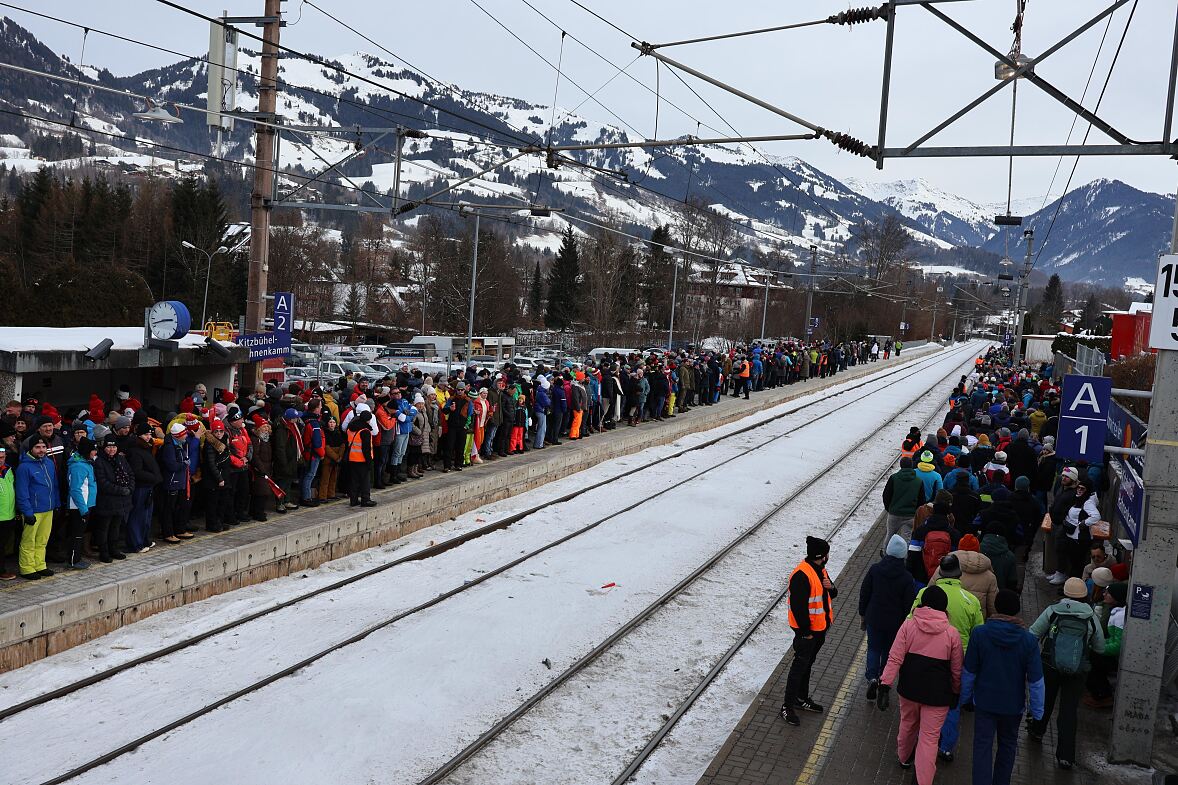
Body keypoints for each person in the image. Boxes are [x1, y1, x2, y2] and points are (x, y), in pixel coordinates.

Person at [877, 585, 963, 785]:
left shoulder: (908, 626)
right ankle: (922, 780)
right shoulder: (952, 634)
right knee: (929, 738)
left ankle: (904, 757)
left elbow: (895, 657)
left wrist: (885, 684)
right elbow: (956, 670)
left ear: (923, 604)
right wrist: (956, 691)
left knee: (908, 723)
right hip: (938, 695)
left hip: (909, 689)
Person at [961, 589, 1045, 785]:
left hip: (984, 702)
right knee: (1008, 746)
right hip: (1013, 705)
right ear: (1017, 610)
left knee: (982, 746)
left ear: (996, 607)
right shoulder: (1028, 641)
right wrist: (1037, 711)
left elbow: (969, 671)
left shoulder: (980, 633)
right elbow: (1036, 681)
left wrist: (964, 697)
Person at [1028, 577, 1106, 769]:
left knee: (1045, 700)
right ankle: (1066, 755)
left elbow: (1033, 634)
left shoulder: (1053, 610)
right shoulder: (1090, 616)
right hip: (1078, 668)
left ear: (1065, 592)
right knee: (1069, 710)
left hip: (1050, 664)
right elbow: (1100, 647)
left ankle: (1037, 731)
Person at [912, 554, 983, 762]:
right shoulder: (971, 601)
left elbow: (910, 620)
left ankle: (922, 740)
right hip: (958, 659)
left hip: (925, 656)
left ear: (940, 573)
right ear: (959, 575)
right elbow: (978, 634)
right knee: (952, 703)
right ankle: (946, 747)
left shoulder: (924, 593)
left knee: (924, 700)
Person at [781, 536, 837, 726]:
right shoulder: (802, 575)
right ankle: (787, 706)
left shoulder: (820, 570)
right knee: (798, 668)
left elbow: (832, 593)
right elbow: (798, 608)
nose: (828, 556)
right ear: (822, 556)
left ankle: (801, 698)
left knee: (807, 665)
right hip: (808, 633)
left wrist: (831, 587)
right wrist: (806, 632)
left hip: (820, 629)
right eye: (827, 553)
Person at [859, 533, 917, 699]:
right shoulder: (907, 577)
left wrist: (862, 613)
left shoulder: (875, 570)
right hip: (895, 622)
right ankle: (883, 679)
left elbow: (865, 592)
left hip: (874, 618)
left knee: (873, 648)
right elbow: (909, 603)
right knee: (889, 651)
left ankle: (871, 677)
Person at [15, 436, 60, 579]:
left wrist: (56, 504)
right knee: (29, 540)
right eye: (37, 447)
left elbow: (54, 485)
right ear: (31, 449)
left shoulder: (49, 463)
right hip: (33, 510)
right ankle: (27, 568)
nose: (41, 450)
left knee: (42, 539)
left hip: (48, 508)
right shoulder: (24, 467)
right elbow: (22, 492)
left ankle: (40, 565)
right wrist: (27, 512)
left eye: (43, 447)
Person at [123, 422, 161, 553]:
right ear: (139, 435)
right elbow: (137, 471)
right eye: (145, 434)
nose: (148, 437)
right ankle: (136, 544)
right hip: (140, 488)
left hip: (148, 486)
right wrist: (154, 477)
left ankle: (144, 540)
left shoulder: (146, 447)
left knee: (146, 516)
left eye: (149, 434)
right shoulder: (135, 450)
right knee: (137, 516)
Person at [157, 422, 194, 543]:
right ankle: (168, 533)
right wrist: (184, 464)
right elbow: (171, 465)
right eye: (184, 434)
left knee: (179, 507)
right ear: (178, 436)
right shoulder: (169, 447)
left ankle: (179, 529)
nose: (186, 436)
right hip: (171, 482)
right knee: (169, 508)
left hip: (179, 481)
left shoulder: (179, 444)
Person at [65, 438, 98, 568]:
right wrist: (83, 509)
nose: (95, 453)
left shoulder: (86, 463)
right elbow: (75, 489)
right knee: (77, 534)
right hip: (78, 506)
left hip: (85, 505)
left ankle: (76, 558)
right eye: (93, 450)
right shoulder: (79, 466)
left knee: (80, 533)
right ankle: (74, 560)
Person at [882, 457, 926, 553]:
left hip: (894, 513)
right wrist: (915, 511)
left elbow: (886, 495)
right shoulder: (918, 481)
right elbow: (922, 500)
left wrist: (889, 508)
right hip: (910, 515)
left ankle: (885, 553)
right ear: (912, 466)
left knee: (890, 535)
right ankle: (904, 557)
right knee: (907, 538)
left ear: (901, 465)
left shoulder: (893, 478)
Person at [201, 418, 232, 532]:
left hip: (224, 476)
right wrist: (219, 478)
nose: (219, 434)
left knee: (222, 502)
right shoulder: (210, 444)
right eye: (216, 431)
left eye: (221, 431)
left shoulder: (225, 440)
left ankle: (219, 522)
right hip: (213, 479)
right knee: (212, 504)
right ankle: (212, 524)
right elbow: (211, 463)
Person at [345, 410, 377, 507]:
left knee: (354, 481)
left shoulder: (351, 428)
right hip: (362, 460)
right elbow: (366, 449)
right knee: (365, 481)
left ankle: (353, 500)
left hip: (352, 458)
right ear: (368, 420)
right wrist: (369, 462)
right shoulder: (365, 431)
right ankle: (365, 500)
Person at [317, 415, 345, 502]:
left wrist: (339, 456)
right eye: (330, 422)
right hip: (328, 458)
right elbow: (326, 447)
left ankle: (331, 494)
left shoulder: (339, 433)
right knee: (325, 478)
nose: (332, 424)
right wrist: (336, 457)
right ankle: (322, 496)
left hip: (337, 457)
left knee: (333, 478)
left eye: (333, 422)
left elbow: (342, 445)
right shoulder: (325, 433)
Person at [0, 447, 16, 580]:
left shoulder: (8, 470)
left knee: (3, 545)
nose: (1, 460)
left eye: (2, 457)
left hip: (8, 515)